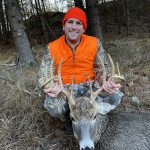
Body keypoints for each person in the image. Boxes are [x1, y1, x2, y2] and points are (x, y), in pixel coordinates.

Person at [37, 7, 123, 121]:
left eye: (78, 23)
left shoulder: (94, 43)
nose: (73, 27)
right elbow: (42, 76)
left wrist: (108, 81)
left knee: (114, 97)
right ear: (64, 26)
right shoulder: (52, 47)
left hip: (90, 88)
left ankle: (92, 114)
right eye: (70, 22)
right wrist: (50, 87)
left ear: (83, 28)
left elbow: (104, 69)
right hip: (65, 89)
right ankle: (72, 115)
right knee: (54, 109)